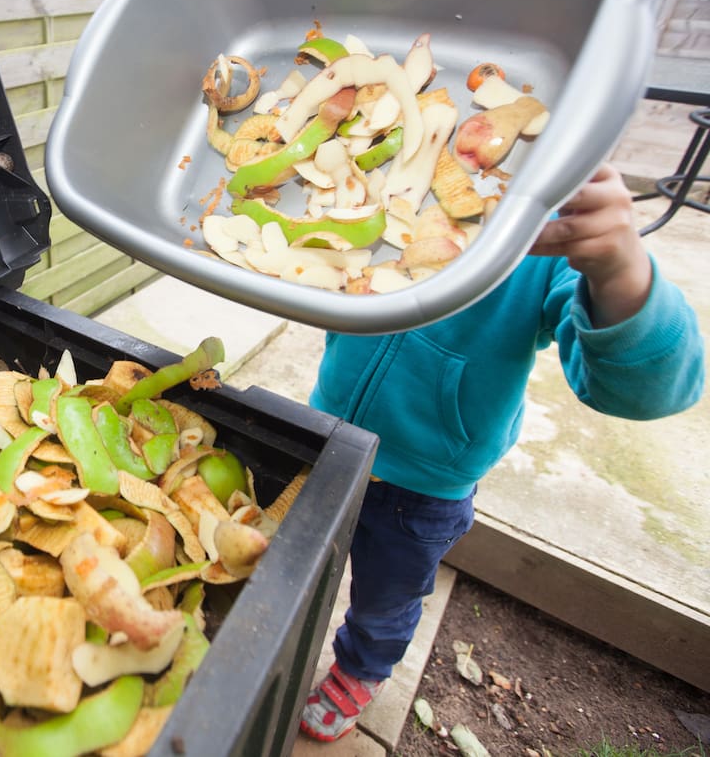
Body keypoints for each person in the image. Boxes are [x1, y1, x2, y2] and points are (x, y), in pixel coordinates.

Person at [299, 163, 706, 743]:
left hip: (422, 489)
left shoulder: (543, 222)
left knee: (386, 598)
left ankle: (362, 667)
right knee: (303, 558)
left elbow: (650, 389)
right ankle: (291, 634)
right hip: (329, 433)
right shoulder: (388, 169)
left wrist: (619, 270)